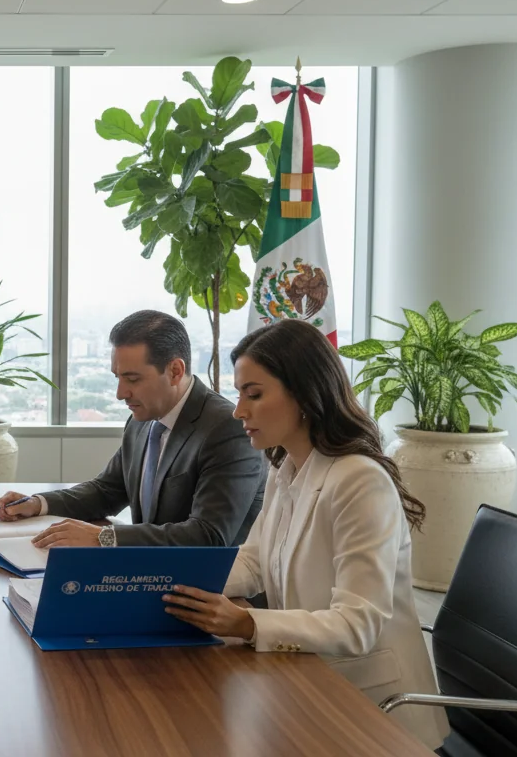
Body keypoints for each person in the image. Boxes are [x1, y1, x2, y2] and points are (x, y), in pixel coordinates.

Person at [161, 319, 449, 749]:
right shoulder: (286, 467)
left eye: (254, 394)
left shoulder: (359, 481)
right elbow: (254, 562)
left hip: (372, 712)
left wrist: (246, 622)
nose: (239, 410)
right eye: (239, 394)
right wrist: (165, 582)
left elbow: (357, 625)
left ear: (305, 394)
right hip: (304, 682)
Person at [0, 310, 265, 549]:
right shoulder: (142, 420)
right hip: (148, 577)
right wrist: (38, 503)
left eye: (132, 379)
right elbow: (107, 491)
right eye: (117, 377)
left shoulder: (227, 428)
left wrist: (105, 538)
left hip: (213, 594)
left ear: (175, 371)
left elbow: (208, 535)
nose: (120, 394)